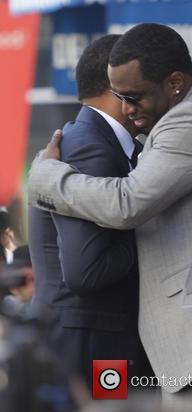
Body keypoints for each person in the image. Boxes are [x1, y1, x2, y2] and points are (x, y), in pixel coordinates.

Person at [28, 23, 192, 403]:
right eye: (119, 95)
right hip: (175, 341)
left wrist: (48, 178)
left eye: (134, 96)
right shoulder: (171, 118)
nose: (127, 107)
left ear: (173, 82)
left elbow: (127, 204)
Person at [28, 35, 152, 387]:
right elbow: (87, 271)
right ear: (116, 85)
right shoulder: (92, 147)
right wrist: (152, 225)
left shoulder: (96, 140)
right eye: (141, 87)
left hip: (89, 335)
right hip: (94, 340)